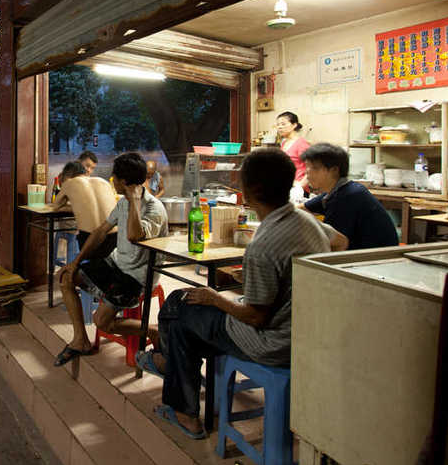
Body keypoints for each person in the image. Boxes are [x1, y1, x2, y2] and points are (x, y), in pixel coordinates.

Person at [136, 148, 330, 439]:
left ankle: (182, 408)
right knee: (187, 322)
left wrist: (215, 298)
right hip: (308, 334)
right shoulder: (308, 221)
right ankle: (170, 365)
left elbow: (255, 316)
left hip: (271, 342)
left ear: (249, 190)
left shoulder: (264, 244)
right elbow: (339, 241)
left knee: (179, 307)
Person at [54, 152, 168, 366]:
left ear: (123, 182)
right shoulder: (123, 203)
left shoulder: (154, 208)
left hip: (137, 277)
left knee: (101, 321)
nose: (112, 180)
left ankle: (153, 331)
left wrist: (135, 201)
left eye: (115, 176)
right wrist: (76, 262)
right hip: (116, 264)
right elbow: (100, 231)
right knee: (66, 277)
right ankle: (80, 341)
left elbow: (135, 235)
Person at [300, 142, 398, 249]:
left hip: (375, 258)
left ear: (334, 170)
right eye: (307, 167)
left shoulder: (348, 196)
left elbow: (335, 243)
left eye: (314, 168)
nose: (307, 173)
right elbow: (301, 208)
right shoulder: (336, 191)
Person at [51, 160, 119, 264]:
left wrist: (75, 206)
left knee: (89, 267)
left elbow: (56, 206)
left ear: (65, 175)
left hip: (89, 239)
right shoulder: (103, 182)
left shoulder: (69, 183)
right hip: (114, 238)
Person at [276, 111, 310, 190]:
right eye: (278, 125)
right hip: (286, 186)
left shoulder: (301, 144)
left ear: (294, 125)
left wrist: (300, 185)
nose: (279, 127)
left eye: (283, 124)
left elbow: (312, 168)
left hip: (297, 189)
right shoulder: (284, 143)